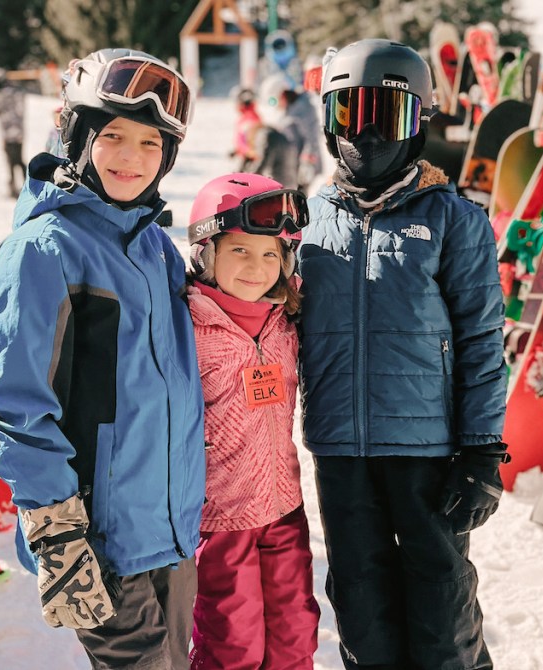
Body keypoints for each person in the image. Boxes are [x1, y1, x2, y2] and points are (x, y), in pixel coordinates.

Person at [0, 49, 204, 669]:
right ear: (75, 134)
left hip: (171, 533)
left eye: (151, 144)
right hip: (97, 543)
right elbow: (17, 406)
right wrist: (58, 531)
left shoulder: (155, 244)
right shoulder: (43, 251)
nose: (132, 158)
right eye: (112, 136)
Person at [296, 39, 509, 670]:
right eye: (347, 114)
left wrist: (481, 448)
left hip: (430, 453)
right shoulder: (306, 220)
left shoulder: (454, 220)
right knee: (361, 608)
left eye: (385, 117)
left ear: (418, 122)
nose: (365, 134)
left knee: (440, 610)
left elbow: (481, 340)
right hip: (340, 450)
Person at [184, 174, 320, 669]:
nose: (256, 268)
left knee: (295, 635)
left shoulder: (285, 320)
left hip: (283, 507)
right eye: (240, 251)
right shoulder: (189, 326)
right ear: (206, 252)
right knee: (233, 644)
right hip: (220, 517)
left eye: (269, 255)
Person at [256, 74, 323, 193]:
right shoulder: (290, 109)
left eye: (274, 100)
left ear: (282, 94)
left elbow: (312, 137)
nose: (276, 105)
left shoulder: (303, 108)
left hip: (303, 167)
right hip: (292, 165)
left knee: (299, 201)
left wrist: (307, 161)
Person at [0, 67, 27, 197]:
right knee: (19, 159)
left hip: (7, 132)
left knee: (11, 161)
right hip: (19, 131)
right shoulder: (16, 92)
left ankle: (13, 187)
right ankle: (27, 184)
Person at [231, 87, 262, 171]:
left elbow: (252, 141)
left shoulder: (251, 118)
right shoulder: (245, 117)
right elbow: (243, 139)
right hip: (246, 157)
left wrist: (249, 153)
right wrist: (237, 150)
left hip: (250, 160)